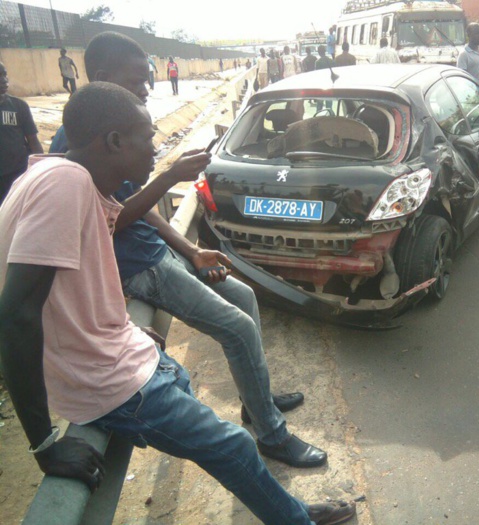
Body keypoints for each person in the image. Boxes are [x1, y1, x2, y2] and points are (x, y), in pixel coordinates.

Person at [0, 81, 356, 525]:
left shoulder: (66, 175)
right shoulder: (65, 185)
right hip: (106, 383)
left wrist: (119, 325)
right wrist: (42, 444)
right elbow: (15, 314)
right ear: (113, 141)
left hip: (116, 357)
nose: (154, 147)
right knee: (233, 444)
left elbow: (73, 284)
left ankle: (288, 510)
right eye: (147, 136)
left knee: (195, 395)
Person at [51, 31, 328, 469]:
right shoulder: (80, 145)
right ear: (104, 78)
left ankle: (254, 400)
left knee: (245, 297)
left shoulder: (115, 132)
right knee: (235, 327)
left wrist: (191, 249)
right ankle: (272, 434)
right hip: (140, 268)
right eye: (138, 80)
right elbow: (110, 222)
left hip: (158, 254)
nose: (147, 88)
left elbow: (134, 207)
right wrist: (169, 178)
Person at [0, 62, 43, 204]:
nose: (4, 79)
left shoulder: (19, 106)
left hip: (17, 173)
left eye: (4, 74)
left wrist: (41, 167)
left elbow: (33, 140)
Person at [457, 23, 479, 87]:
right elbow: (461, 78)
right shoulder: (464, 54)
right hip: (470, 94)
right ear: (469, 35)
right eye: (477, 33)